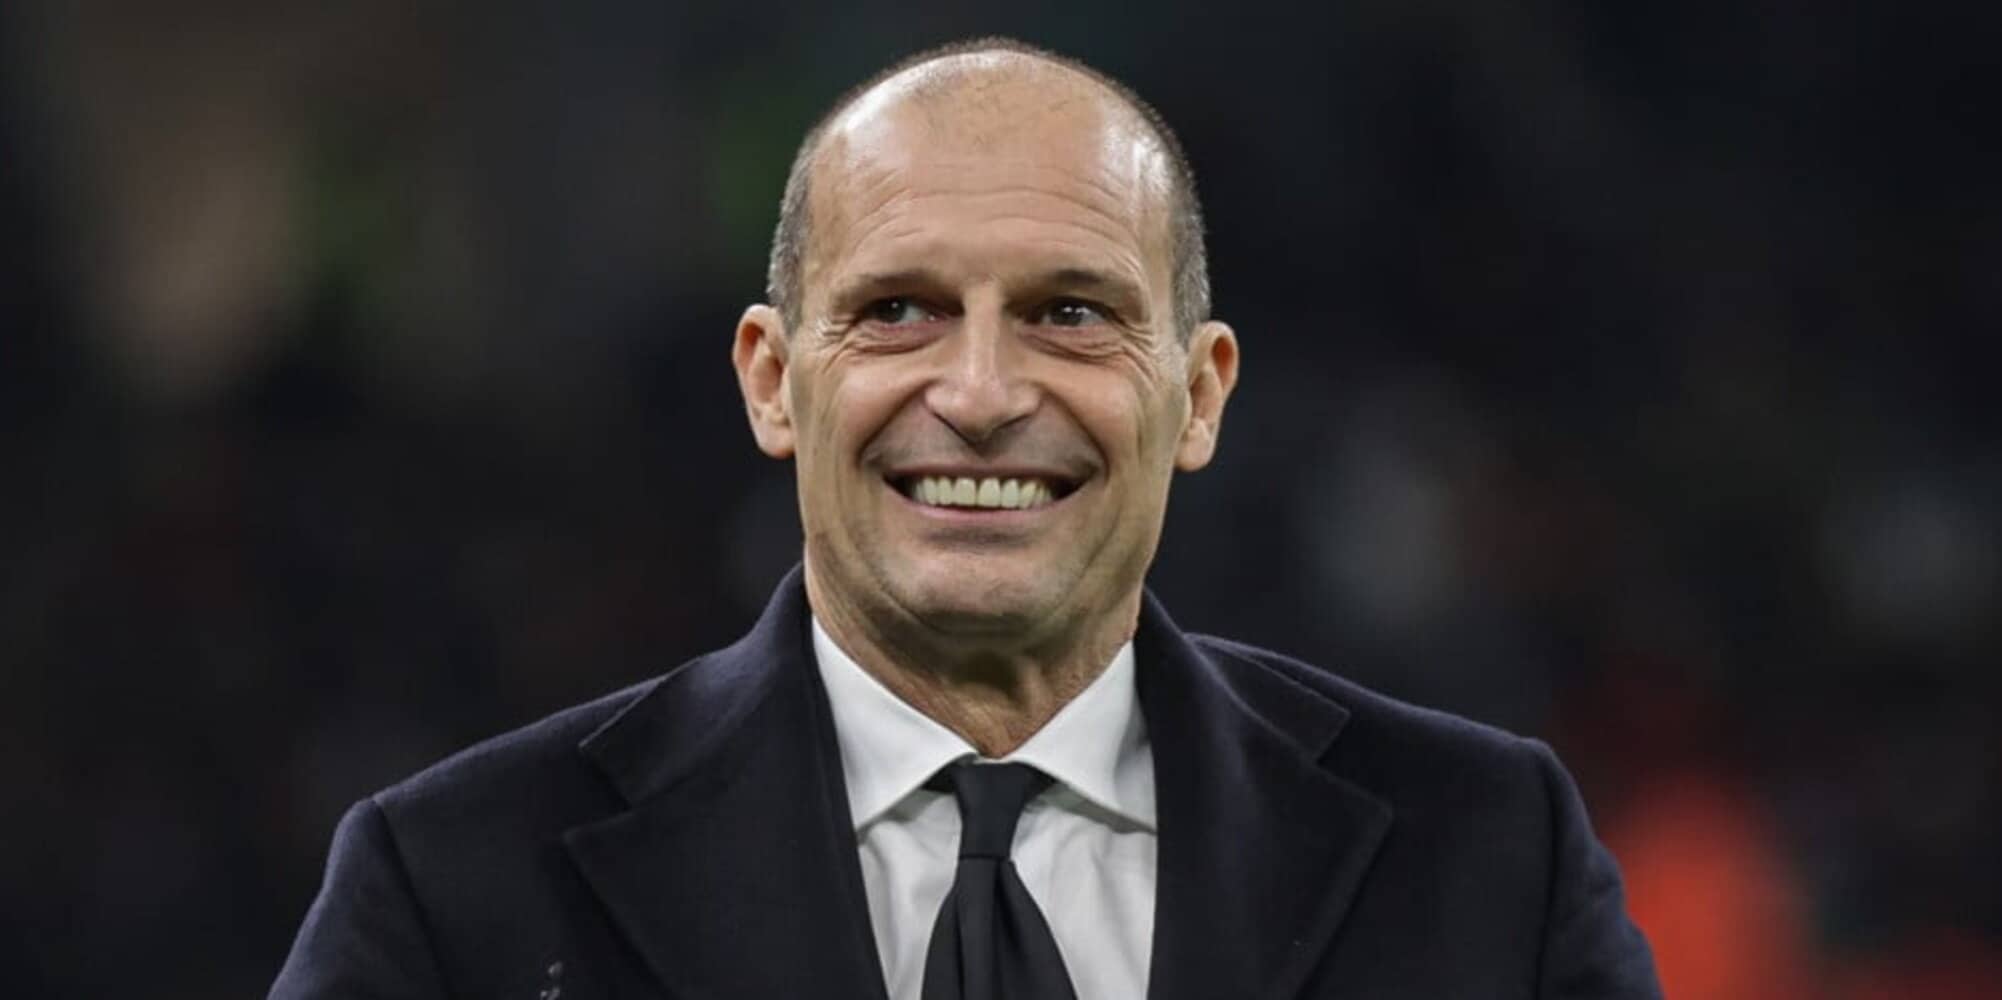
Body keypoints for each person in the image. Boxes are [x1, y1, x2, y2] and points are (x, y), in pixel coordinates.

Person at [272, 37, 1662, 999]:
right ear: (771, 381)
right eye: (897, 310)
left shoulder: (1483, 855)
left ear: (1197, 394)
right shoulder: (458, 890)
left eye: (1070, 312)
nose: (982, 393)